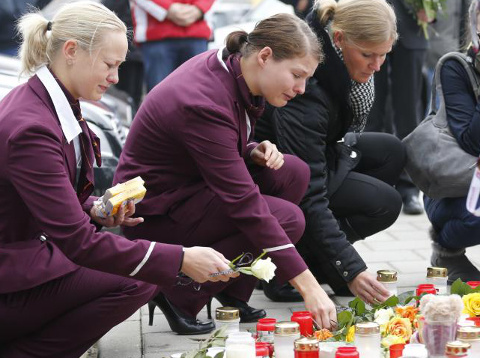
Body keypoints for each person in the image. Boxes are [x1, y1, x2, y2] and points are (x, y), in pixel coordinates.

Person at [0, 2, 238, 358]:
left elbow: (43, 201)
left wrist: (95, 210)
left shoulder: (51, 101)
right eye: (109, 65)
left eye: (118, 66)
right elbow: (78, 242)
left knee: (139, 270)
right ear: (71, 52)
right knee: (141, 276)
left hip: (25, 259)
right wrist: (180, 258)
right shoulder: (33, 126)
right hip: (11, 280)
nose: (115, 77)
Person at [114, 13, 338, 332]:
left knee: (292, 172)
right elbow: (243, 204)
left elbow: (209, 146)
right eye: (297, 75)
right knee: (287, 219)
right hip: (153, 216)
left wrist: (250, 149)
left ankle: (231, 289)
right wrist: (310, 287)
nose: (301, 89)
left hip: (189, 190)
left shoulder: (232, 67)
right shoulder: (203, 99)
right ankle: (179, 289)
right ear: (265, 57)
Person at [255, 0, 405, 304]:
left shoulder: (336, 62)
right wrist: (349, 268)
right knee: (384, 202)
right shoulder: (307, 87)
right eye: (367, 55)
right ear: (339, 39)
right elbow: (309, 194)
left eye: (383, 55)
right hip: (270, 173)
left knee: (391, 151)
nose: (376, 66)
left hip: (313, 149)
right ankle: (286, 270)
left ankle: (321, 260)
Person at [425, 0, 480, 284]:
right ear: (476, 23)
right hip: (457, 187)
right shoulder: (456, 67)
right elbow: (471, 141)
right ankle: (447, 251)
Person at [365, 0, 434, 215]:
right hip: (369, 23)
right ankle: (372, 182)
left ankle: (409, 188)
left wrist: (432, 9)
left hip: (411, 26)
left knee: (409, 114)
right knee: (371, 109)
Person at [129, 0, 214, 91]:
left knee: (198, 94)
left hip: (194, 34)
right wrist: (168, 8)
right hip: (157, 36)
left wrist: (199, 9)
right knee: (160, 95)